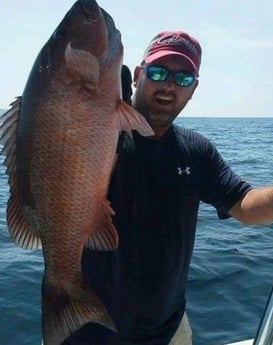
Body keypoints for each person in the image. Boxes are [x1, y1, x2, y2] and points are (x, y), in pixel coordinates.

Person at [63, 31, 273, 345]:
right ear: (137, 76)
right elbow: (49, 140)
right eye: (159, 73)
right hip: (81, 331)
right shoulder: (92, 135)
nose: (169, 86)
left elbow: (243, 204)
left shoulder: (196, 151)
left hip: (167, 332)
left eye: (184, 78)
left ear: (194, 89)